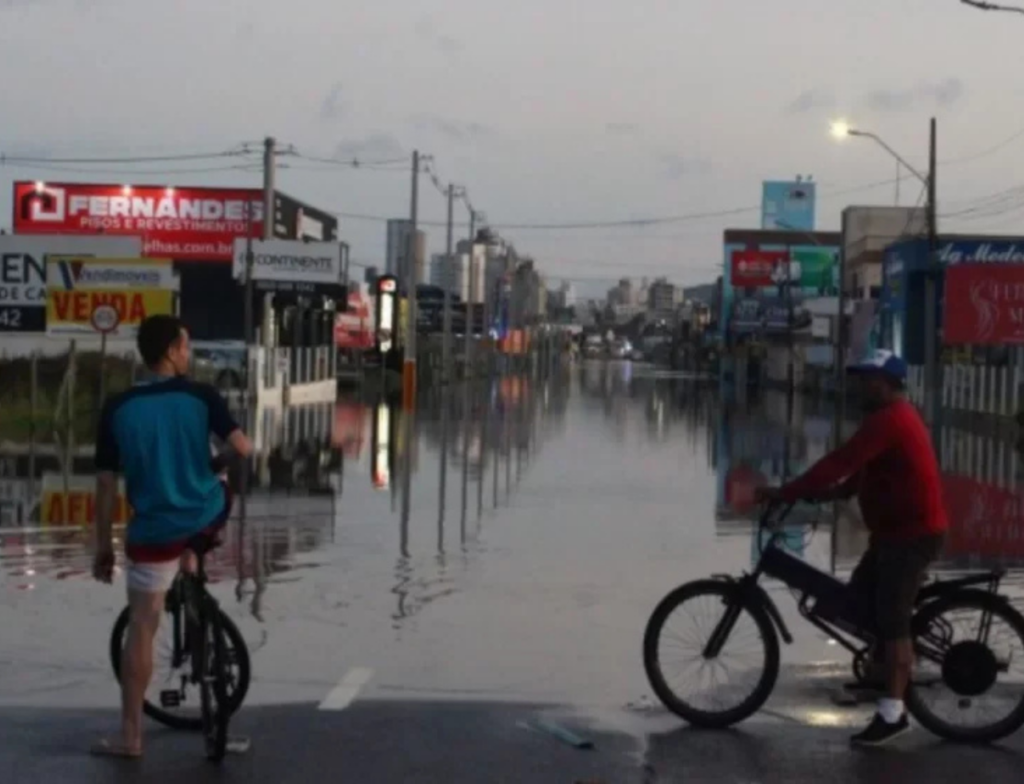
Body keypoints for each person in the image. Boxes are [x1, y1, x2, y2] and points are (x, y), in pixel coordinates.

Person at [756, 349, 947, 747]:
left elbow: (840, 461)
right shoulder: (889, 420)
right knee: (857, 606)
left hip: (910, 537)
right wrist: (818, 497)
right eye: (862, 378)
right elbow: (856, 476)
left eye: (870, 379)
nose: (862, 385)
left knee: (892, 622)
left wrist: (788, 490)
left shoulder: (890, 420)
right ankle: (882, 679)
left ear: (889, 384)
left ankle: (894, 713)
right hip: (892, 534)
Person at [91, 315, 252, 758]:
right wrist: (213, 466)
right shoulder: (201, 396)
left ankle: (130, 737)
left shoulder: (117, 408)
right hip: (201, 513)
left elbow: (105, 484)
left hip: (151, 531)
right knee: (218, 494)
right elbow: (243, 449)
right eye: (185, 346)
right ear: (169, 351)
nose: (189, 353)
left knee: (142, 625)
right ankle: (194, 554)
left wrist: (103, 546)